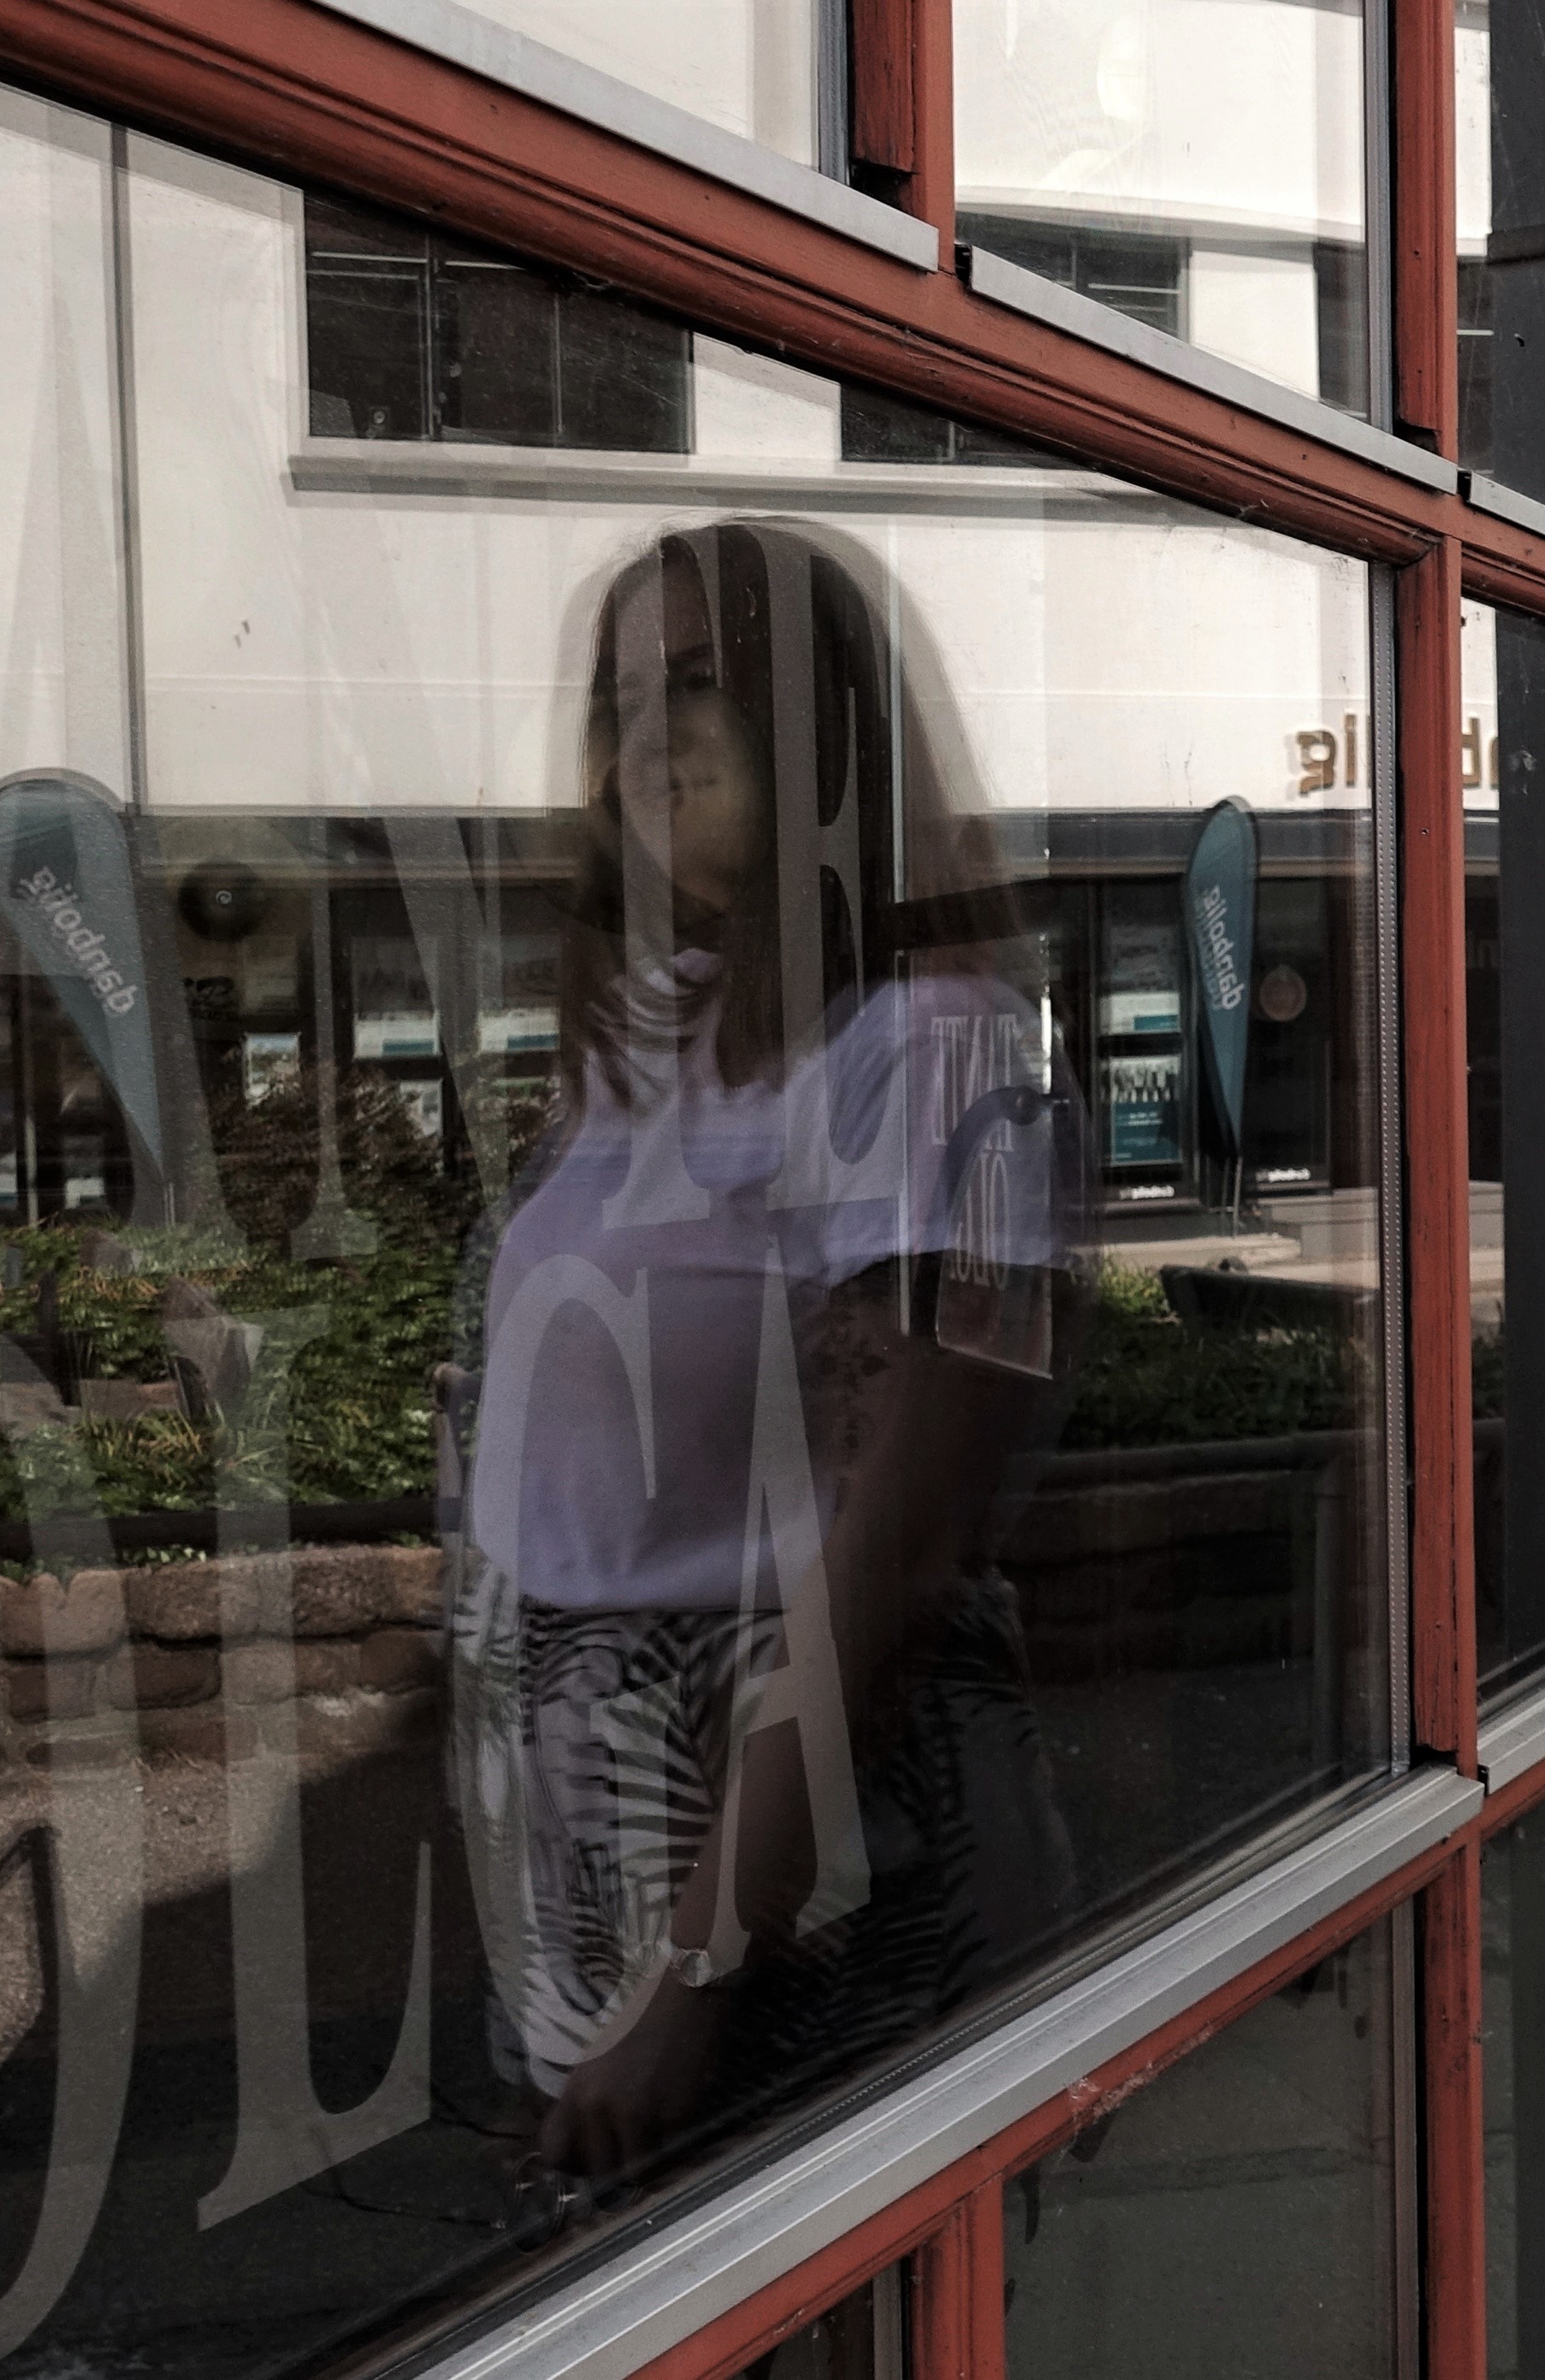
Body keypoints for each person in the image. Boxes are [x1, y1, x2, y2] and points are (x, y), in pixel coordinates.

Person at [447, 520, 1082, 2182]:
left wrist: (701, 1961)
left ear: (821, 728)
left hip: (793, 1878)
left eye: (708, 682)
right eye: (625, 690)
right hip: (619, 1860)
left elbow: (905, 1543)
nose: (651, 730)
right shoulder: (661, 1045)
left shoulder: (938, 1050)